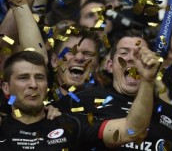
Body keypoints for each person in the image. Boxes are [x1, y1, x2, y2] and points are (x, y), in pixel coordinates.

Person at [0, 50, 156, 150]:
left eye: (39, 78)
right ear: (6, 88)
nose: (33, 85)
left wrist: (147, 81)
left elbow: (132, 130)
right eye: (23, 78)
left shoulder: (72, 124)